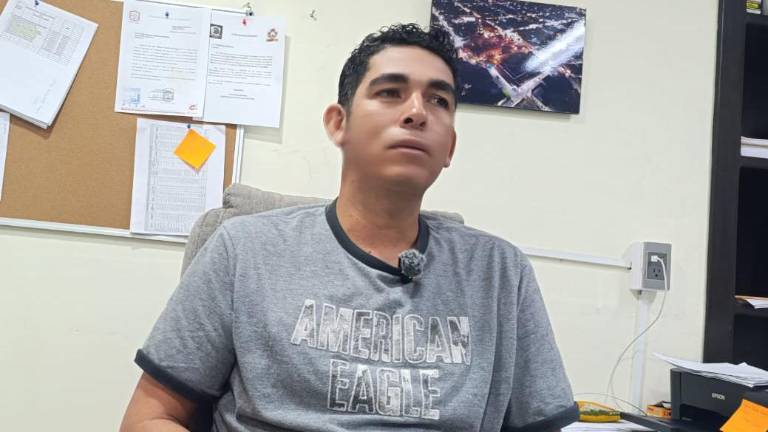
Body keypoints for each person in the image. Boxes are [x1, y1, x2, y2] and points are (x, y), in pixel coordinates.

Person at [120, 23, 578, 432]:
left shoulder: (500, 273)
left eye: (438, 100)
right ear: (339, 123)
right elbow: (147, 419)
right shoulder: (243, 250)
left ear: (450, 147)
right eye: (390, 92)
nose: (417, 112)